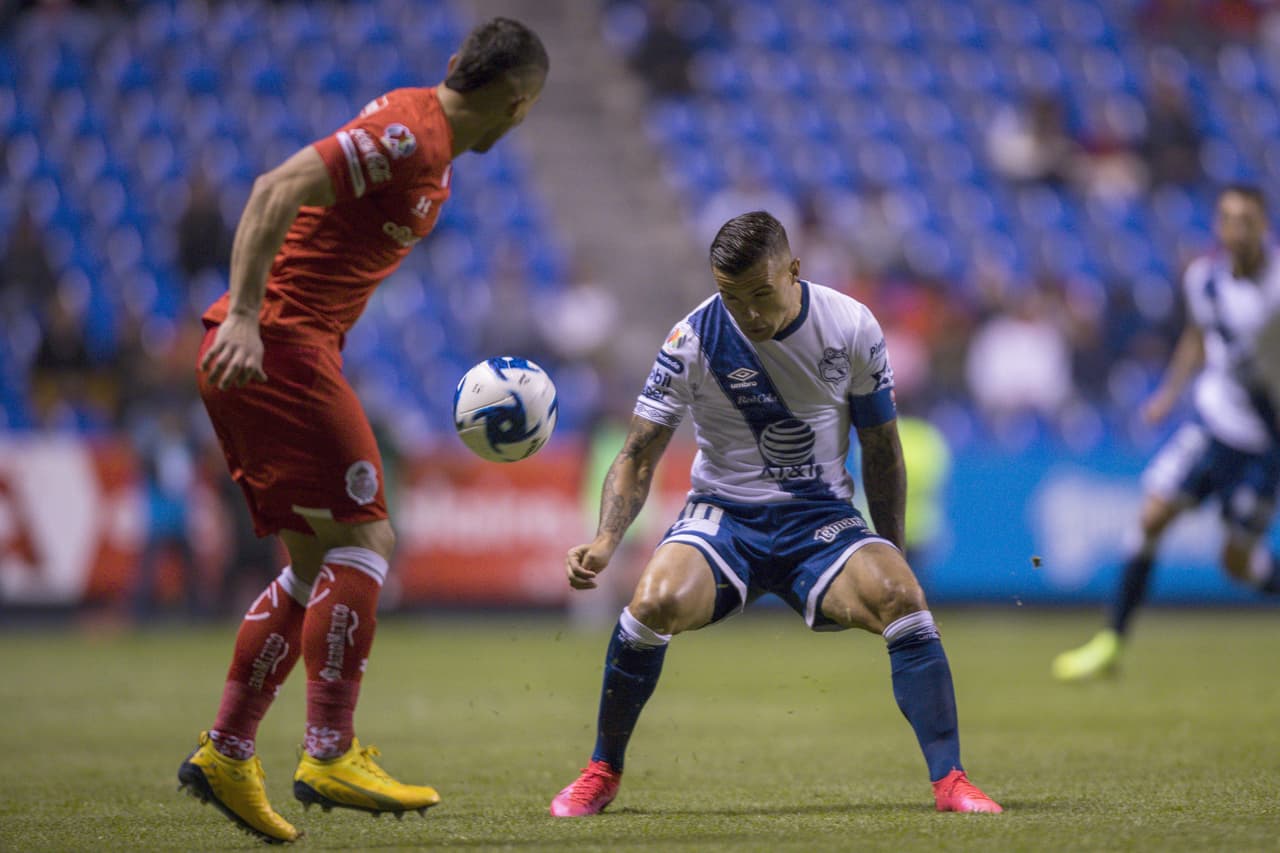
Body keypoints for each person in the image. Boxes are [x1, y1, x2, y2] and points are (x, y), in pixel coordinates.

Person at [176, 18, 548, 844]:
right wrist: (243, 315)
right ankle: (328, 751)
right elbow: (275, 186)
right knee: (369, 538)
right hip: (276, 343)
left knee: (316, 567)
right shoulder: (408, 136)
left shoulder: (428, 143)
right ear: (519, 107)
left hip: (279, 345)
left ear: (457, 65)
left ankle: (228, 750)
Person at [548, 211, 1002, 817]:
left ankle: (951, 782)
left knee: (900, 596)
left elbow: (882, 447)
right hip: (723, 518)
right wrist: (606, 539)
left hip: (820, 520)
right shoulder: (692, 341)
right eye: (732, 298)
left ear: (794, 270)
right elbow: (636, 453)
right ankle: (601, 770)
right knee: (652, 600)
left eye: (761, 295)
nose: (749, 314)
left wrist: (889, 549)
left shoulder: (850, 325)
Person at [1052, 185, 1280, 683]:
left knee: (1237, 563)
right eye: (1226, 218)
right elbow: (1199, 334)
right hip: (1214, 422)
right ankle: (1111, 639)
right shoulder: (1204, 279)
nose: (1234, 230)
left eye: (1246, 220)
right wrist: (1169, 394)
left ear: (1264, 227)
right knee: (1152, 515)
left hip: (1267, 443)